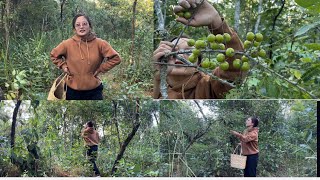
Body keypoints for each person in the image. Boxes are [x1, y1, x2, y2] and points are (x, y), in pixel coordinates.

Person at [153, 0, 245, 99]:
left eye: (189, 52)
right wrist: (158, 78)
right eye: (174, 51)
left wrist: (216, 22)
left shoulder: (209, 85)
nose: (180, 55)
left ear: (198, 65)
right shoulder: (157, 88)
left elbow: (234, 71)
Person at [50, 13, 121, 100]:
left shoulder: (100, 43)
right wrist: (63, 66)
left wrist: (101, 69)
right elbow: (54, 55)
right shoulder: (67, 44)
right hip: (73, 91)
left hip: (94, 91)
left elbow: (116, 58)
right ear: (74, 29)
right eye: (78, 25)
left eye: (84, 24)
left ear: (89, 26)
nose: (81, 27)